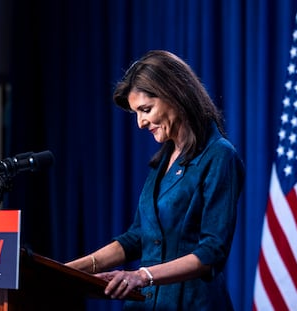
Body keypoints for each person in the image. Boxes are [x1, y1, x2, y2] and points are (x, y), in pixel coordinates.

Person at [66, 50, 245, 310]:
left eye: (146, 110)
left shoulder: (219, 155)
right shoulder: (163, 161)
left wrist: (142, 275)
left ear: (175, 95)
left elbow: (211, 252)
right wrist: (67, 271)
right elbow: (137, 237)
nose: (140, 123)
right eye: (136, 113)